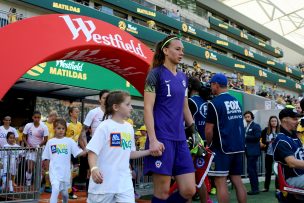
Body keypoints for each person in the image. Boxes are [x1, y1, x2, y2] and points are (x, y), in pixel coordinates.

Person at [144, 35, 196, 203]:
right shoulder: (154, 74)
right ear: (165, 51)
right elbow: (147, 108)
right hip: (161, 138)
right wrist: (152, 139)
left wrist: (194, 130)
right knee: (163, 192)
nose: (181, 53)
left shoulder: (183, 78)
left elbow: (185, 106)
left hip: (180, 139)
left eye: (183, 50)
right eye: (177, 49)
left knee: (189, 190)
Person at [86, 90, 150, 203]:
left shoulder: (129, 128)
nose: (131, 107)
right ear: (116, 107)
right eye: (127, 104)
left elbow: (130, 153)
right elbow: (92, 152)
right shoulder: (104, 126)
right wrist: (94, 169)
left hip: (124, 184)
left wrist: (149, 151)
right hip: (103, 186)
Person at [205, 73, 247, 203]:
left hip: (222, 147)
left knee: (220, 182)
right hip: (238, 147)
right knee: (237, 181)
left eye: (211, 85)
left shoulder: (214, 103)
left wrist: (209, 144)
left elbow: (208, 130)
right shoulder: (236, 102)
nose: (211, 88)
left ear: (215, 85)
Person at [42, 118, 86, 203]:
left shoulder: (69, 141)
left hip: (65, 172)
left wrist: (87, 150)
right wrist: (46, 170)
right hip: (54, 172)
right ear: (54, 129)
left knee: (65, 193)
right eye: (58, 128)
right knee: (55, 190)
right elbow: (46, 157)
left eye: (63, 128)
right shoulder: (50, 142)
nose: (61, 130)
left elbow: (78, 153)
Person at [79, 89, 109, 190]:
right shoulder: (93, 112)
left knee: (106, 171)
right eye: (104, 98)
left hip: (108, 148)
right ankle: (90, 194)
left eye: (108, 98)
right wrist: (87, 147)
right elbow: (83, 132)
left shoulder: (113, 114)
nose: (106, 100)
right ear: (100, 100)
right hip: (95, 148)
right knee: (91, 171)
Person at [188, 76, 209, 203]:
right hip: (204, 143)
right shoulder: (205, 101)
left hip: (192, 142)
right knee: (200, 176)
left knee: (187, 174)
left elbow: (186, 122)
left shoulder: (190, 101)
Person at [273, 108, 304, 188]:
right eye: (294, 119)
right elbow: (292, 163)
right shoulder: (281, 139)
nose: (297, 122)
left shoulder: (294, 137)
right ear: (284, 120)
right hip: (292, 178)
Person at [23, 111, 49, 186]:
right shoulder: (28, 125)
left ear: (40, 118)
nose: (37, 119)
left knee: (40, 170)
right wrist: (27, 145)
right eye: (35, 117)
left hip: (40, 150)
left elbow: (45, 139)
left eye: (38, 117)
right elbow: (24, 137)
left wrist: (38, 146)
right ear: (32, 117)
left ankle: (37, 186)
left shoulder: (44, 126)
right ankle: (28, 185)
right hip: (30, 150)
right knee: (30, 168)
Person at [66, 106, 83, 199]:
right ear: (71, 113)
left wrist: (84, 148)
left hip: (75, 151)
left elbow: (80, 138)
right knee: (69, 170)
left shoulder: (80, 124)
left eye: (78, 111)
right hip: (68, 150)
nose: (78, 113)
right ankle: (69, 191)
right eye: (76, 111)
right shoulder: (67, 124)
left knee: (76, 172)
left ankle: (67, 186)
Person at [244, 111, 262, 195]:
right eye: (246, 117)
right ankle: (255, 188)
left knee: (251, 170)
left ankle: (255, 189)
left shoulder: (256, 126)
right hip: (248, 151)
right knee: (252, 170)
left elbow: (257, 137)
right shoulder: (246, 127)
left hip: (253, 151)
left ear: (252, 117)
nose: (247, 118)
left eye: (248, 116)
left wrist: (246, 136)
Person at [260, 116, 280, 192]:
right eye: (272, 121)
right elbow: (262, 140)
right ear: (269, 122)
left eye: (275, 121)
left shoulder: (280, 130)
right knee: (268, 171)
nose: (274, 122)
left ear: (277, 122)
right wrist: (264, 143)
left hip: (278, 154)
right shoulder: (265, 130)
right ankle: (266, 187)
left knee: (277, 171)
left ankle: (277, 187)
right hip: (268, 153)